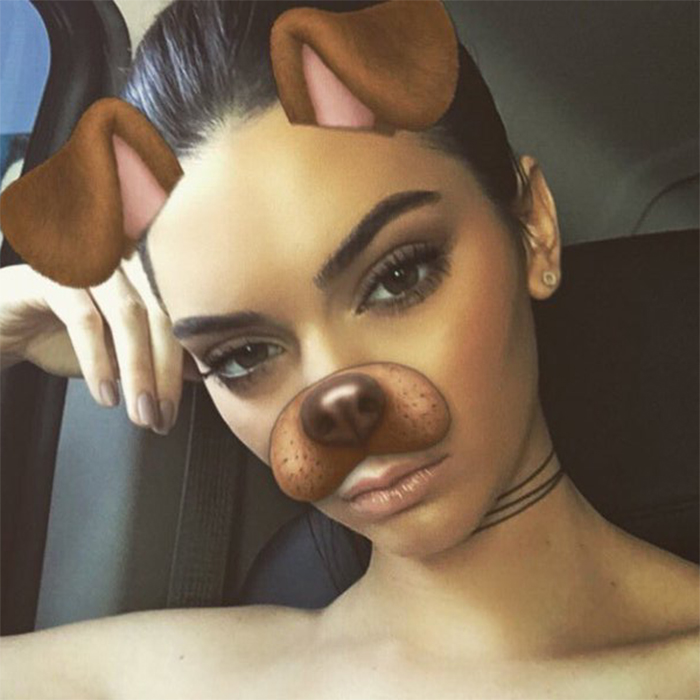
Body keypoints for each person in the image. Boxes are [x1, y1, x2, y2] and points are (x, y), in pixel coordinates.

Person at [0, 1, 698, 698]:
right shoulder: (158, 679)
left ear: (533, 228)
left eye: (399, 277)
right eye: (243, 355)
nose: (333, 397)